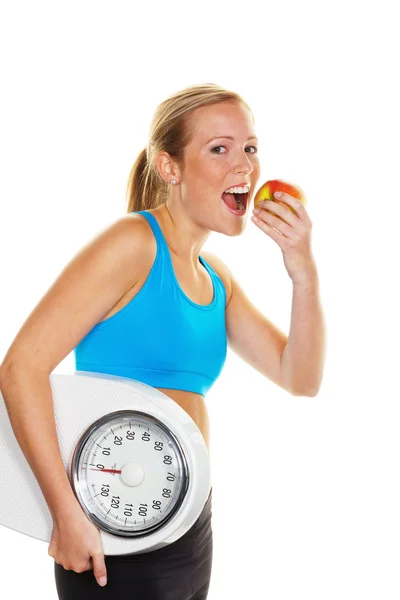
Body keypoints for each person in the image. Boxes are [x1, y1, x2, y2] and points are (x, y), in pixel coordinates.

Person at [0, 82, 326, 599]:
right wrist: (64, 513)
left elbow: (299, 377)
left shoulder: (215, 278)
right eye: (218, 148)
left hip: (190, 523)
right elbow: (20, 368)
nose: (243, 165)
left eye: (250, 148)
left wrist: (303, 271)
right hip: (113, 524)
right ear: (169, 166)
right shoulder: (131, 244)